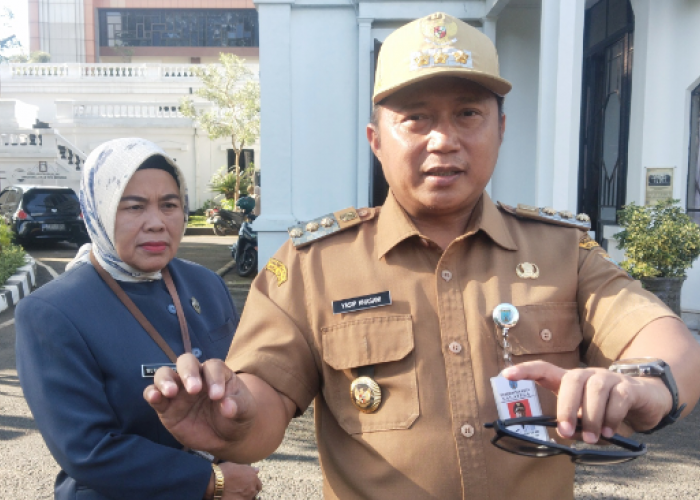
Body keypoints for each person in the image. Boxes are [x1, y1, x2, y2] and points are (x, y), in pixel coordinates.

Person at [144, 13, 700, 500]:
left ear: (500, 130)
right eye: (415, 117)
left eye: (468, 114)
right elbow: (264, 403)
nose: (443, 140)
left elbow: (666, 340)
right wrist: (230, 418)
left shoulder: (561, 251)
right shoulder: (314, 265)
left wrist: (643, 385)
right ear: (376, 139)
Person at [16, 138, 262, 500]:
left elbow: (243, 378)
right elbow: (88, 449)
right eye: (133, 207)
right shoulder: (52, 311)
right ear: (97, 211)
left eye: (169, 205)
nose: (157, 223)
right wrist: (212, 481)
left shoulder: (205, 284)